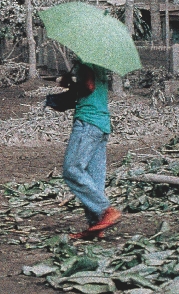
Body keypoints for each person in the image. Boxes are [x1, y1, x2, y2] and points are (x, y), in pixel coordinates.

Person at [59, 61, 121, 240]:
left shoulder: (85, 62)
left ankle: (105, 210)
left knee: (72, 169)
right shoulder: (99, 63)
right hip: (101, 124)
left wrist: (70, 84)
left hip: (87, 123)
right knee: (95, 178)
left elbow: (88, 87)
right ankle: (96, 225)